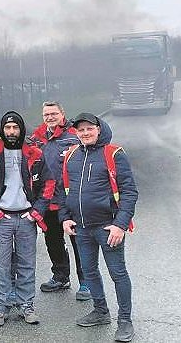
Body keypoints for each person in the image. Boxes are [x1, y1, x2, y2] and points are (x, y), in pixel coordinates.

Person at [58, 113, 138, 342]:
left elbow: (130, 192)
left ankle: (124, 320)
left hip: (107, 228)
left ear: (99, 129)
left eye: (89, 128)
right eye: (80, 130)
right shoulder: (72, 155)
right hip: (81, 228)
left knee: (118, 273)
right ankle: (101, 311)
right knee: (89, 271)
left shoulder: (114, 154)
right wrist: (65, 217)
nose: (85, 133)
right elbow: (64, 190)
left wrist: (119, 225)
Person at [0, 111, 54, 327]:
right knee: (1, 265)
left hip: (27, 218)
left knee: (27, 264)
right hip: (2, 218)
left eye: (15, 128)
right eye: (8, 128)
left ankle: (26, 306)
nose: (11, 132)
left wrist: (36, 212)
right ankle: (0, 309)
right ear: (2, 129)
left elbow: (48, 184)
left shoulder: (35, 153)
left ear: (21, 129)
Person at [29, 101, 90, 300]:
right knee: (52, 241)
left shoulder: (75, 135)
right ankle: (61, 276)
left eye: (54, 113)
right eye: (46, 114)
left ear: (62, 114)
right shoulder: (37, 138)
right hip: (46, 200)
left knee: (79, 242)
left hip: (71, 201)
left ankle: (86, 281)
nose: (50, 117)